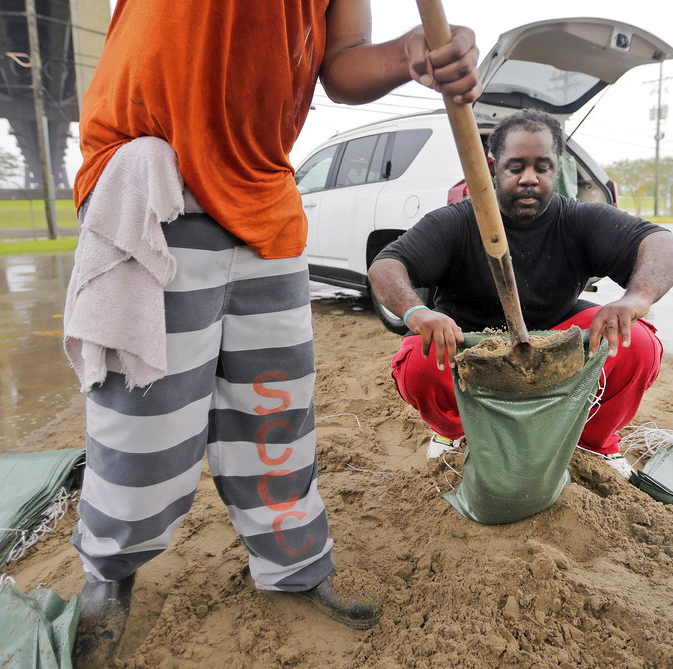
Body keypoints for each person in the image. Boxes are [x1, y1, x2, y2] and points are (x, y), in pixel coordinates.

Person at [64, 1, 481, 663]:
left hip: (265, 189)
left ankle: (293, 563)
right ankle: (109, 575)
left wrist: (410, 54)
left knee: (276, 402)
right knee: (148, 410)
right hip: (160, 170)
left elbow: (340, 65)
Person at [368, 108, 673, 476]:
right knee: (420, 363)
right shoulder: (455, 221)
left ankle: (594, 443)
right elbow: (387, 265)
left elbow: (666, 244)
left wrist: (636, 298)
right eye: (516, 167)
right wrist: (417, 313)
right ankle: (452, 432)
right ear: (493, 167)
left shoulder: (578, 219)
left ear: (557, 169)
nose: (529, 179)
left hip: (556, 339)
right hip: (467, 343)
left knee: (637, 345)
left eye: (542, 167)